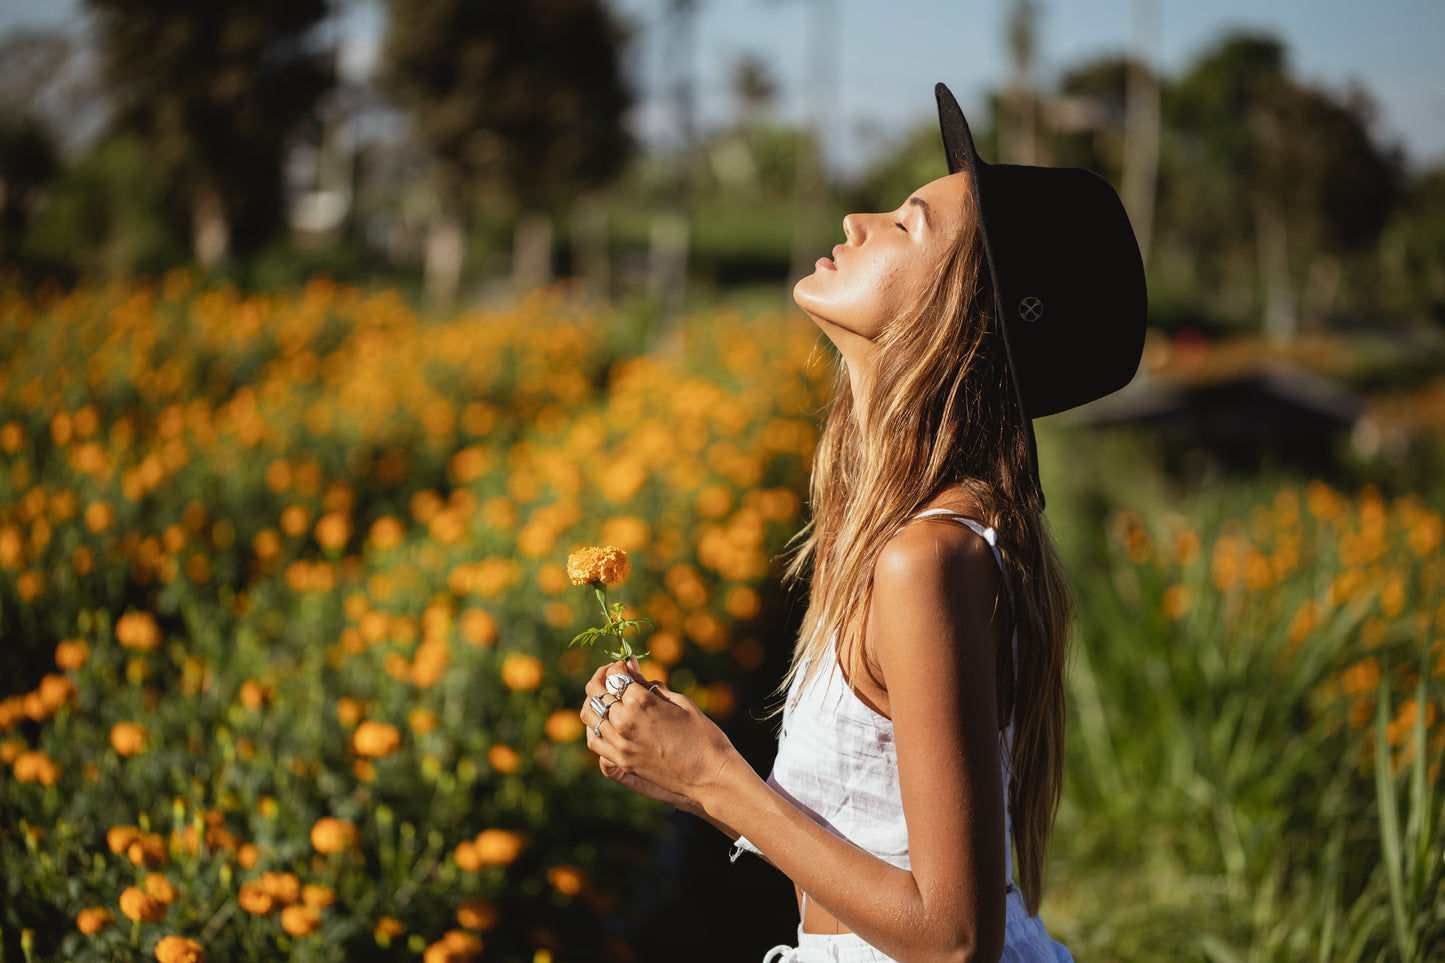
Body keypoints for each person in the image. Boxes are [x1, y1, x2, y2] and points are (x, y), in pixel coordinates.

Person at [579, 83, 1147, 963]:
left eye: (907, 223)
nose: (855, 219)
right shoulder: (921, 531)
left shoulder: (930, 556)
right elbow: (877, 839)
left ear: (959, 317)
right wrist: (678, 770)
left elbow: (954, 938)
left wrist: (716, 776)